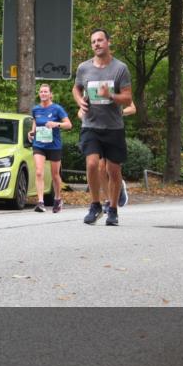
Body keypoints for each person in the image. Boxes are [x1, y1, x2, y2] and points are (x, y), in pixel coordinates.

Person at [72, 28, 133, 226]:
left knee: (114, 171)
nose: (96, 44)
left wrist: (111, 96)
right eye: (93, 42)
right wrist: (80, 101)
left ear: (108, 42)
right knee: (92, 164)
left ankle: (113, 209)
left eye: (100, 40)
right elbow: (76, 88)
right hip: (91, 125)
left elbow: (128, 97)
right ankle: (95, 204)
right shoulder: (84, 68)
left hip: (113, 127)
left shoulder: (120, 68)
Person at [78, 100, 136, 213]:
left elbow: (132, 108)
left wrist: (119, 113)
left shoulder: (114, 88)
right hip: (95, 132)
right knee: (100, 167)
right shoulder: (91, 90)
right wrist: (89, 118)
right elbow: (80, 112)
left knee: (111, 169)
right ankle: (108, 199)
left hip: (113, 130)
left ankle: (118, 188)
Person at [27, 84, 71, 213]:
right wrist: (32, 131)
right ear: (39, 94)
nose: (43, 94)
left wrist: (56, 124)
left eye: (46, 92)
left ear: (50, 94)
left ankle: (58, 198)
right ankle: (40, 202)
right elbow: (35, 121)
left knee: (55, 175)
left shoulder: (57, 109)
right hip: (39, 144)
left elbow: (69, 125)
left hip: (54, 146)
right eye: (41, 92)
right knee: (39, 172)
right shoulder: (36, 109)